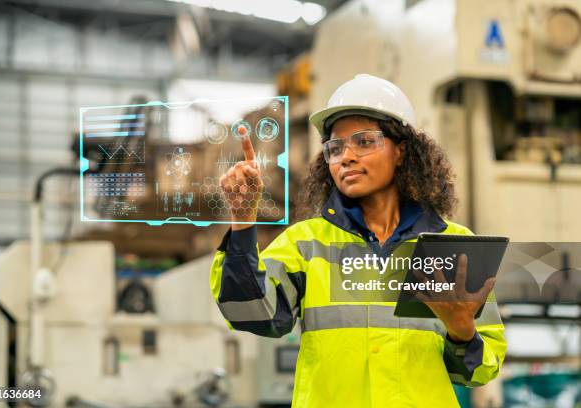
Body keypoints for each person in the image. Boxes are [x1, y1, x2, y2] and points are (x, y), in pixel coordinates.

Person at [210, 74, 506, 407]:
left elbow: (480, 371)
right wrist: (243, 219)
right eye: (335, 148)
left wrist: (461, 331)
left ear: (401, 151)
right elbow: (248, 312)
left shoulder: (451, 246)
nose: (346, 157)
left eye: (364, 142)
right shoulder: (306, 243)